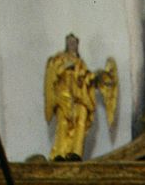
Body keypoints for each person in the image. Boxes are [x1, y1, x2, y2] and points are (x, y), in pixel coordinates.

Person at [44, 33, 117, 162]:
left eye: (74, 43)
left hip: (81, 98)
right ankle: (60, 153)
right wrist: (66, 66)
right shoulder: (59, 58)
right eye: (70, 42)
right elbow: (54, 73)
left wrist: (96, 76)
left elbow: (85, 78)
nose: (72, 45)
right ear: (66, 44)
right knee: (63, 123)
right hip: (64, 98)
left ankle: (76, 152)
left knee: (81, 124)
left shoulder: (80, 62)